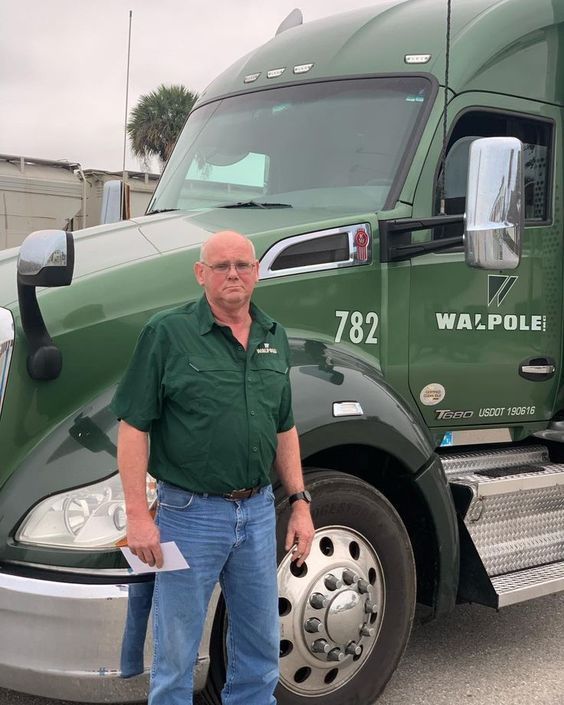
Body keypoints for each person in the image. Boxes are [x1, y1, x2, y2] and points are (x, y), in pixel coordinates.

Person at [111, 230, 315, 705]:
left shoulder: (273, 335)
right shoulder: (166, 333)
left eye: (242, 265)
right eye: (221, 266)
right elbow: (133, 427)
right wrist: (139, 516)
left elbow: (284, 427)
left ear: (256, 273)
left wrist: (301, 502)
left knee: (260, 648)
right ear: (200, 274)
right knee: (176, 658)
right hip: (189, 515)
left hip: (259, 512)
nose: (233, 274)